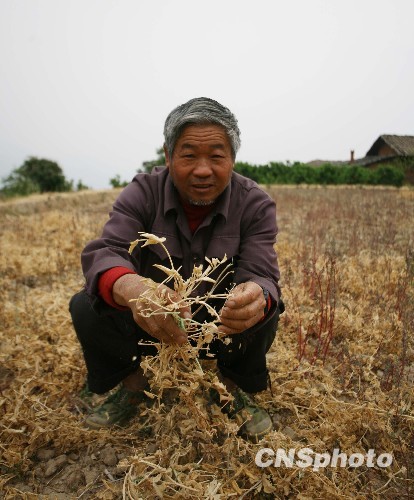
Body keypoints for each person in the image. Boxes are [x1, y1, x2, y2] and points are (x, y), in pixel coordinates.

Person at [69, 97, 284, 442]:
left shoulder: (254, 203)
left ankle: (229, 389)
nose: (203, 170)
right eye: (189, 155)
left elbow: (261, 272)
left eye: (217, 156)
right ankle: (134, 387)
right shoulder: (143, 192)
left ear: (232, 159)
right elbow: (108, 251)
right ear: (168, 156)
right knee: (87, 303)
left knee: (266, 303)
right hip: (151, 323)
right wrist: (132, 289)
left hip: (217, 326)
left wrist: (257, 294)